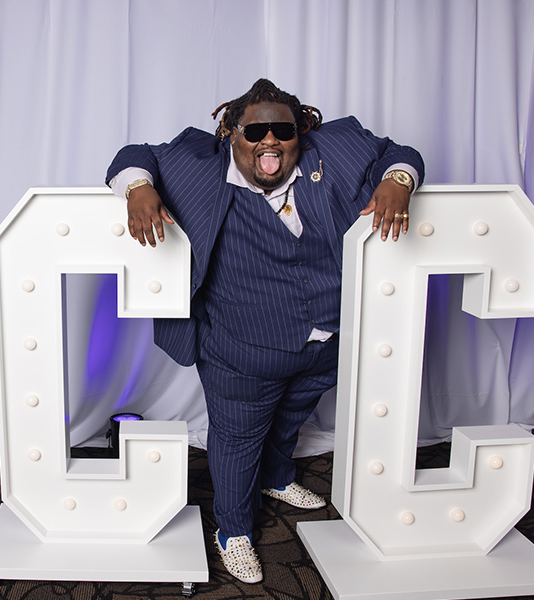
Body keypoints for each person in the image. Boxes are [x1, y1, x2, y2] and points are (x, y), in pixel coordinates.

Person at [106, 78, 424, 584]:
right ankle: (232, 532)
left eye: (282, 130)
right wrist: (138, 187)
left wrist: (399, 181)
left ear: (301, 131)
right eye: (256, 132)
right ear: (233, 132)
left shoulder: (335, 152)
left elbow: (398, 153)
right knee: (236, 443)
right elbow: (132, 155)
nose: (269, 142)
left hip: (326, 341)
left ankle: (277, 479)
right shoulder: (198, 164)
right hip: (239, 349)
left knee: (290, 419)